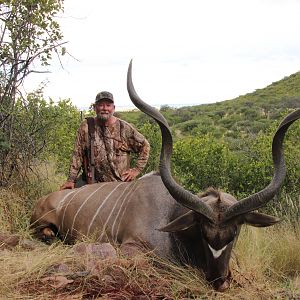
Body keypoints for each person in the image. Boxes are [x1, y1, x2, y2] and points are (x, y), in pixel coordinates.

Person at [60, 91, 150, 190]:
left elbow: (145, 146)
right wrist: (71, 180)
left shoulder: (124, 128)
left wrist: (136, 170)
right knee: (66, 199)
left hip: (120, 184)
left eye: (108, 105)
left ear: (113, 108)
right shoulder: (86, 126)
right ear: (95, 107)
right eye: (101, 105)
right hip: (92, 182)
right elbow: (77, 154)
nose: (105, 108)